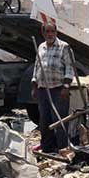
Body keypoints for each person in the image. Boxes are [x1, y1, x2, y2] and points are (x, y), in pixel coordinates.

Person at [32, 22, 75, 153]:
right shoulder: (41, 47)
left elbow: (70, 68)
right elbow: (37, 67)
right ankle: (47, 149)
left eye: (52, 31)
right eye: (47, 32)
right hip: (43, 89)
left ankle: (62, 149)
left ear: (56, 32)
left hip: (58, 89)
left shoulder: (64, 47)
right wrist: (34, 85)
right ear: (43, 33)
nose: (50, 34)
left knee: (60, 120)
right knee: (44, 121)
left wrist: (66, 87)